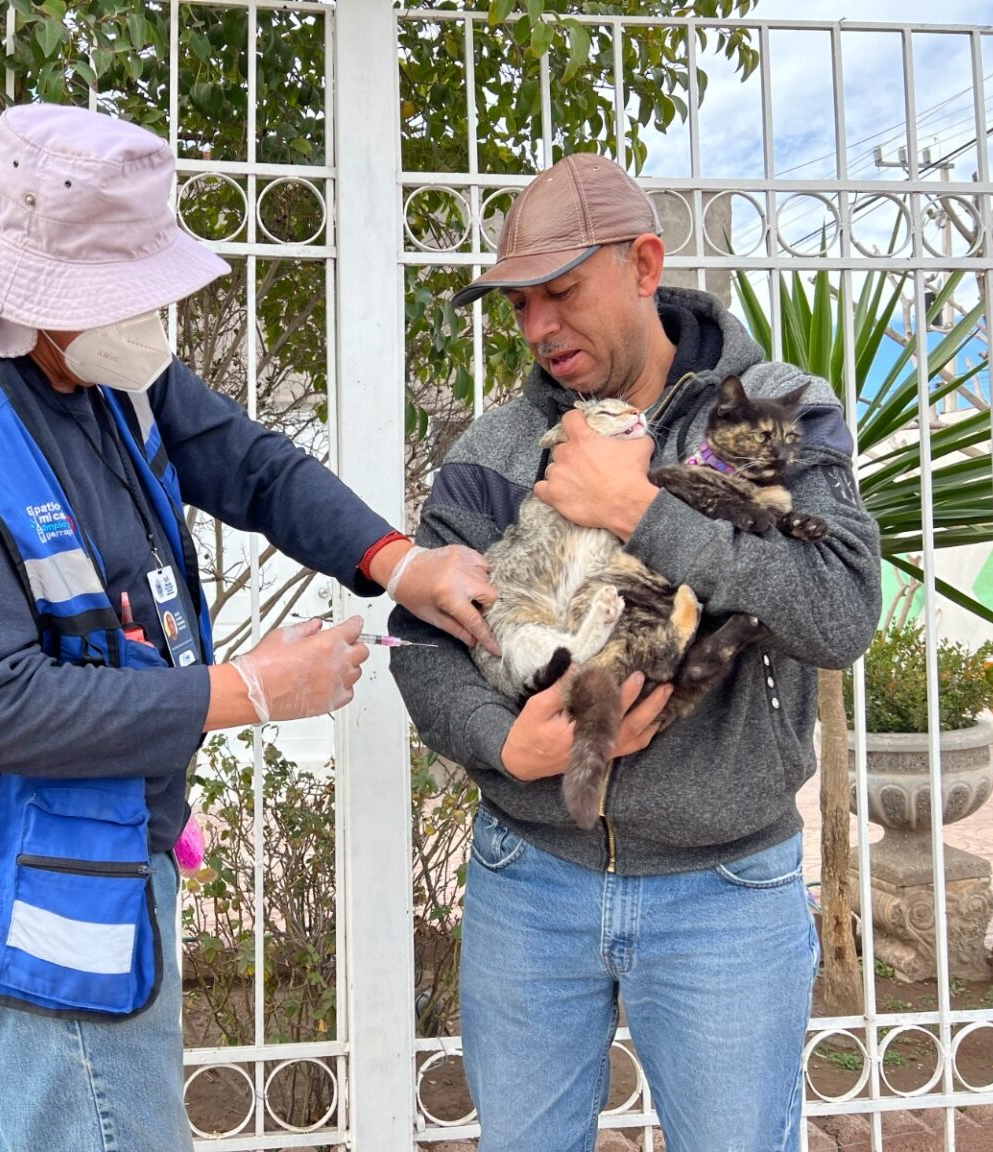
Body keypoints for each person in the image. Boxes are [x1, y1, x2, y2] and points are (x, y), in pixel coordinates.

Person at [0, 103, 498, 1152]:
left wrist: (397, 562)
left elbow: (252, 464)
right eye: (124, 291)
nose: (149, 315)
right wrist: (250, 693)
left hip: (103, 837)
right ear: (38, 293)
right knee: (100, 1129)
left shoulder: (105, 375)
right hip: (27, 861)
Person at [388, 153, 882, 1150]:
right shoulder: (493, 449)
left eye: (561, 293)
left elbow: (840, 616)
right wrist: (502, 741)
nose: (536, 329)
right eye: (519, 304)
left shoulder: (769, 410)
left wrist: (642, 510)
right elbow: (419, 642)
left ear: (646, 264)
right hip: (528, 876)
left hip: (723, 888)